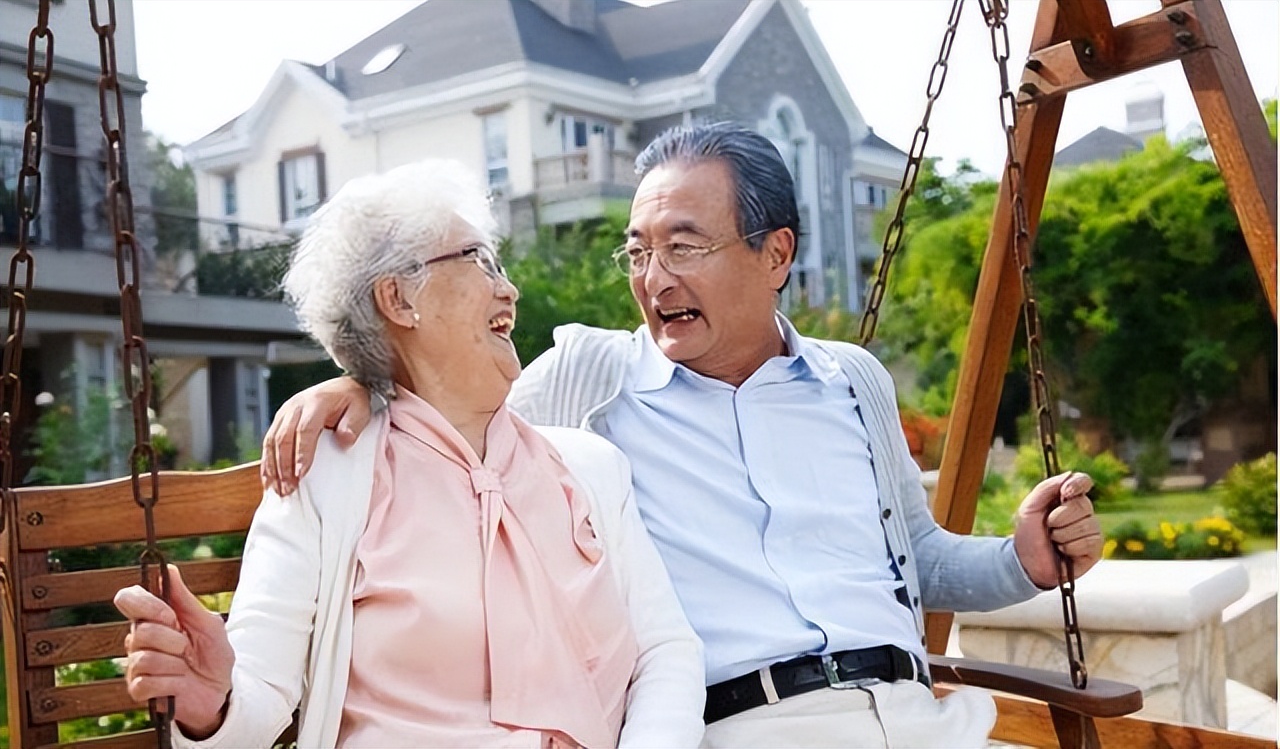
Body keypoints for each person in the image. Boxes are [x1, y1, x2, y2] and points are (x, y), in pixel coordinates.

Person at [261, 123, 1103, 748]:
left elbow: (915, 557)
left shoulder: (852, 379)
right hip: (747, 725)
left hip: (917, 717)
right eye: (638, 252)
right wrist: (359, 382)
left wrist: (1020, 561)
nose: (653, 279)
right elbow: (450, 400)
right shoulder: (591, 385)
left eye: (683, 247)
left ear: (776, 254)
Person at [114, 159, 705, 748]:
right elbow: (258, 697)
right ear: (398, 298)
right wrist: (210, 705)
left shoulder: (589, 468)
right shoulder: (326, 476)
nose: (509, 288)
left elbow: (666, 653)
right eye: (478, 260)